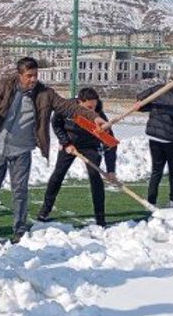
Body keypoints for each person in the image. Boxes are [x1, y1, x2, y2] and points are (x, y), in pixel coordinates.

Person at [0, 57, 107, 243]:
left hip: (22, 149)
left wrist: (93, 117)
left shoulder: (45, 94)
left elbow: (69, 107)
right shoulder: (3, 85)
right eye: (29, 76)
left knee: (20, 191)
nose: (33, 79)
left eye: (35, 75)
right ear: (20, 75)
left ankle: (19, 230)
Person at [37, 88, 117, 227]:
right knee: (58, 174)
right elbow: (56, 124)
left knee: (95, 176)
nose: (92, 110)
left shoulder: (99, 116)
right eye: (88, 107)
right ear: (80, 102)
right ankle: (45, 210)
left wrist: (111, 170)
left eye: (95, 106)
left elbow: (110, 143)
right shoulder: (67, 107)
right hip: (70, 143)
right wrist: (66, 142)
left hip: (90, 146)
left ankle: (100, 218)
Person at [137, 83, 173, 208]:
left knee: (156, 171)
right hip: (170, 141)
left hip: (154, 138)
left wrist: (155, 87)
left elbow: (140, 98)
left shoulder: (160, 94)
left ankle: (151, 201)